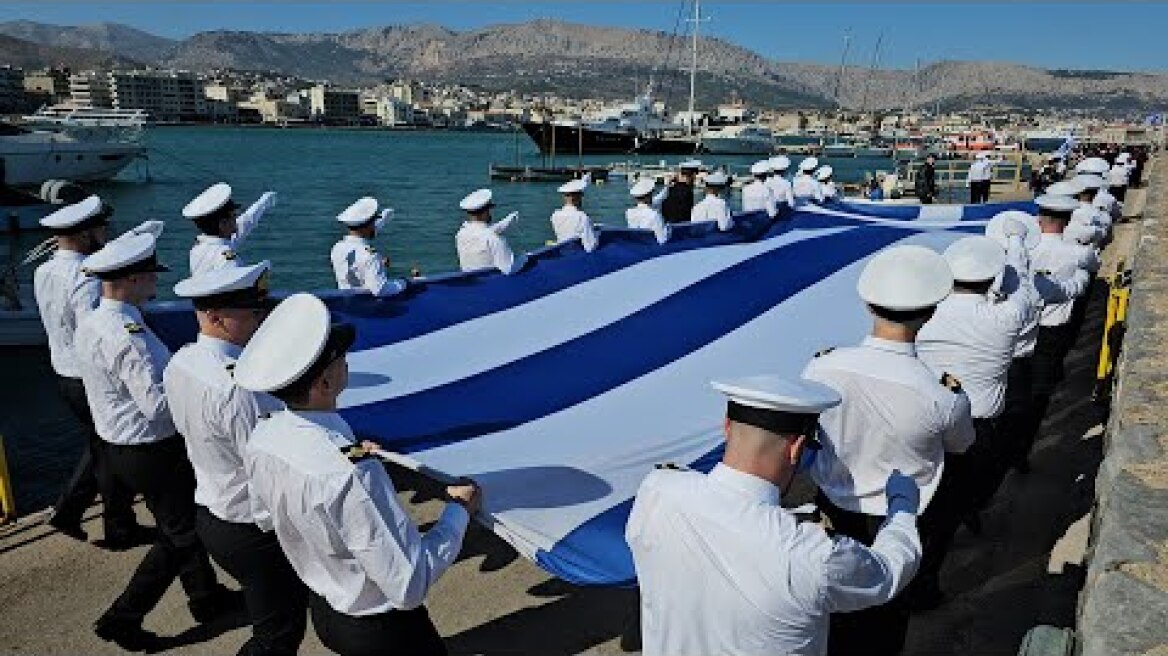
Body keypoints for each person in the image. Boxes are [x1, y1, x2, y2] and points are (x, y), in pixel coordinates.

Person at [235, 293, 481, 656]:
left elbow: (263, 518)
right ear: (324, 384)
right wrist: (459, 512)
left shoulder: (263, 435)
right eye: (339, 359)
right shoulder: (352, 473)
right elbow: (409, 584)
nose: (345, 362)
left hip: (326, 608)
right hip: (381, 629)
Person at [626, 375, 922, 656]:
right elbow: (888, 572)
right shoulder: (813, 555)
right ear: (796, 448)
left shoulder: (659, 489)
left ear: (727, 426)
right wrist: (902, 509)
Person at [802, 245, 975, 654]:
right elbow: (962, 445)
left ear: (867, 304)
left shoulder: (822, 367)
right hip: (900, 519)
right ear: (930, 312)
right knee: (885, 617)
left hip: (833, 509)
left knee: (830, 610)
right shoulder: (943, 396)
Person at [74, 233, 232, 651]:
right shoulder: (129, 334)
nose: (155, 282)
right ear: (129, 279)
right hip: (152, 447)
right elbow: (158, 407)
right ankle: (122, 618)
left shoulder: (94, 321)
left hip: (117, 444)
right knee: (181, 533)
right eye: (148, 275)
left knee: (180, 525)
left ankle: (206, 597)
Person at [164, 261, 309, 656]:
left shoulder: (182, 361)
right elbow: (266, 469)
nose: (262, 320)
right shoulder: (241, 386)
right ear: (215, 317)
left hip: (213, 510)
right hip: (252, 526)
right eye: (252, 313)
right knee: (279, 633)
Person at [34, 196, 145, 548]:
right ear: (85, 235)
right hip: (85, 376)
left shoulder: (44, 270)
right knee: (109, 450)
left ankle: (86, 513)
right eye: (101, 228)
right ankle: (110, 523)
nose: (106, 233)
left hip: (62, 371)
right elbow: (95, 332)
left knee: (101, 447)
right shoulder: (86, 276)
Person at [916, 233, 1037, 534]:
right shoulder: (1007, 317)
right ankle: (969, 511)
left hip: (932, 416)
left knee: (935, 498)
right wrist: (1015, 245)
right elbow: (1022, 286)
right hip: (980, 424)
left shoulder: (925, 314)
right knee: (976, 483)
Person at [1021, 194, 1094, 466]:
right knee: (1039, 393)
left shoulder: (1024, 252)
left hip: (1021, 329)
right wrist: (1081, 277)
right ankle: (1024, 449)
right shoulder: (1076, 252)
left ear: (1040, 219)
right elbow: (1083, 279)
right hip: (1053, 331)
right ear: (1067, 220)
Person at [184, 183, 278, 276]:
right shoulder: (225, 259)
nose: (236, 219)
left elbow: (244, 223)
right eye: (233, 216)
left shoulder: (199, 247)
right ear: (223, 224)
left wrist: (263, 202)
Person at [330, 197, 407, 297]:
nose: (375, 226)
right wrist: (403, 283)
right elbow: (380, 290)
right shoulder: (369, 255)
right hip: (367, 306)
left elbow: (356, 268)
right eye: (374, 223)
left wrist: (379, 265)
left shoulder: (337, 248)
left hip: (346, 302)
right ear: (368, 226)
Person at [454, 188, 525, 275]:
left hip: (471, 282)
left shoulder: (460, 234)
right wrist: (524, 258)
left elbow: (481, 232)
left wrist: (507, 220)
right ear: (485, 212)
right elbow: (509, 270)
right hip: (494, 284)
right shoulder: (495, 239)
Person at [625, 178, 670, 244]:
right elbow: (662, 239)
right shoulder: (654, 215)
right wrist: (668, 228)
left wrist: (667, 187)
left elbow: (658, 199)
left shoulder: (629, 213)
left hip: (637, 244)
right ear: (649, 196)